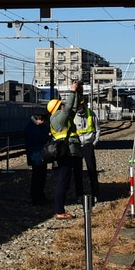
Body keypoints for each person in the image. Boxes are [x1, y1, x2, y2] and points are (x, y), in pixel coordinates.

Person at [47, 80, 84, 220]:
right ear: (58, 107)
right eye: (61, 104)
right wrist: (72, 91)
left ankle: (61, 209)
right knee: (63, 181)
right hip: (66, 153)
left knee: (66, 181)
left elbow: (72, 108)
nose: (64, 104)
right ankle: (59, 210)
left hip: (71, 152)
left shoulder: (63, 116)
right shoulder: (57, 118)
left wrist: (78, 93)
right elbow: (68, 108)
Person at [73, 100, 102, 201]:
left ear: (83, 104)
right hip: (77, 146)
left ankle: (95, 194)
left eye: (79, 105)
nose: (78, 107)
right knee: (77, 171)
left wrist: (95, 142)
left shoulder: (91, 113)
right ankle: (79, 195)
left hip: (89, 145)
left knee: (92, 170)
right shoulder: (73, 115)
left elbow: (98, 129)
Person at [23, 112, 50, 204]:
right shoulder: (33, 128)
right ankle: (37, 197)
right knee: (37, 177)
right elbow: (38, 139)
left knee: (40, 177)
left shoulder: (32, 126)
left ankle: (39, 196)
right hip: (36, 155)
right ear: (39, 119)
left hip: (39, 154)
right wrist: (47, 136)